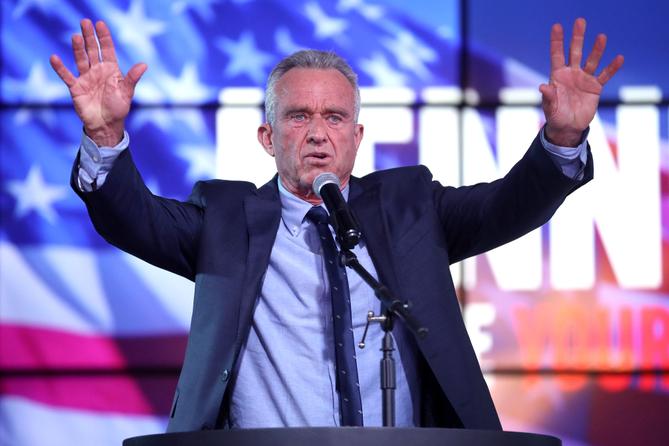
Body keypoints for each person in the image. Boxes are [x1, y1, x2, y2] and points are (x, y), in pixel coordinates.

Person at [50, 18, 622, 432]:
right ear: (269, 138)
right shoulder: (225, 221)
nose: (318, 133)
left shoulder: (410, 208)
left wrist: (562, 141)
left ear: (356, 136)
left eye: (334, 117)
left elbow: (508, 206)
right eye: (298, 117)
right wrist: (104, 137)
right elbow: (132, 218)